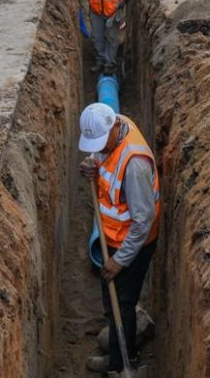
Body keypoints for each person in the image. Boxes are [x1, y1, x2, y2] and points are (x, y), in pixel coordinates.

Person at [77, 103, 161, 375]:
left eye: (101, 143)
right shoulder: (114, 127)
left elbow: (142, 221)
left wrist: (120, 261)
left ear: (115, 127)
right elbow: (102, 157)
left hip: (134, 243)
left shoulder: (135, 165)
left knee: (121, 303)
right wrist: (91, 164)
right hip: (112, 235)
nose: (98, 147)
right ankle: (120, 353)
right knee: (113, 302)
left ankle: (122, 363)